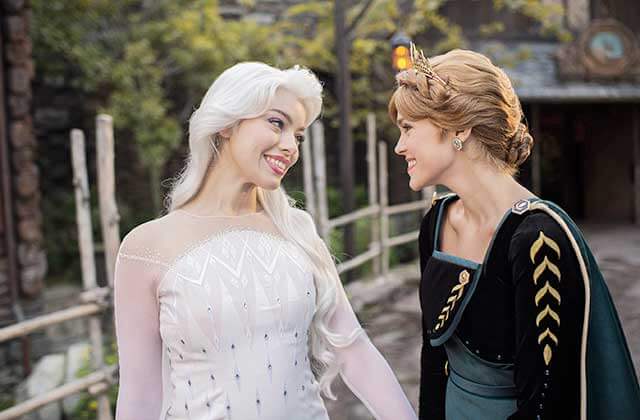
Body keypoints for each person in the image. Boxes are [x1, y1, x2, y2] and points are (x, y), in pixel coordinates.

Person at [113, 62, 417, 420]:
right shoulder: (146, 246)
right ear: (227, 122)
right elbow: (140, 395)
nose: (290, 146)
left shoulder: (297, 230)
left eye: (299, 136)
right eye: (277, 123)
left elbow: (354, 351)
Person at [389, 44, 640, 420]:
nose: (399, 146)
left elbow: (549, 403)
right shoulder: (437, 222)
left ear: (458, 126)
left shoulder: (538, 239)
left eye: (408, 128)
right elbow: (433, 362)